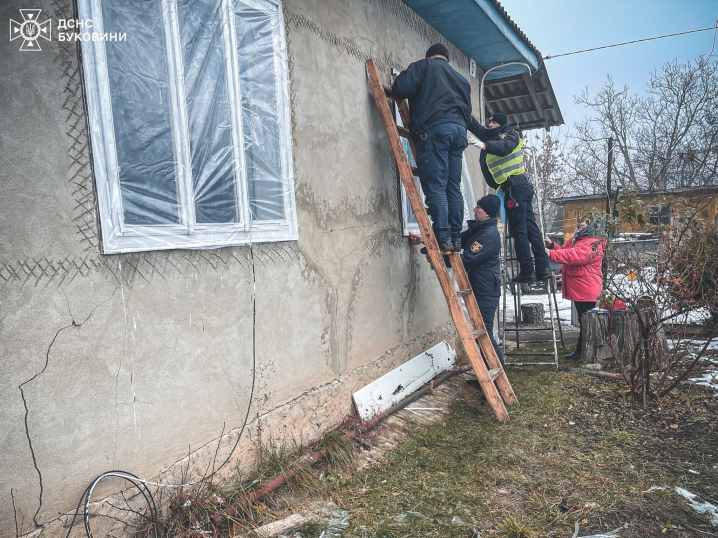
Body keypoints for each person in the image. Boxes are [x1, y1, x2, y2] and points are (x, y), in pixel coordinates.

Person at [392, 43, 473, 253]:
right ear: (447, 59)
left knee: (436, 185)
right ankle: (455, 238)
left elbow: (399, 88)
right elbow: (468, 114)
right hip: (458, 133)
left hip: (435, 131)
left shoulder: (424, 67)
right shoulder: (462, 81)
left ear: (430, 57)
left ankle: (442, 236)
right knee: (452, 187)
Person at [410, 194, 505, 368]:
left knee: (486, 335)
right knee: (481, 334)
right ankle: (487, 376)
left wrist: (438, 258)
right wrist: (426, 241)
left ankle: (500, 381)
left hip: (486, 292)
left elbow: (467, 259)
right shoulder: (478, 229)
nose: (475, 209)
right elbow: (453, 242)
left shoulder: (488, 235)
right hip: (479, 288)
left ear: (488, 214)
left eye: (479, 208)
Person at [468, 113, 552, 283]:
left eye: (494, 122)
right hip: (518, 188)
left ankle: (528, 270)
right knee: (530, 229)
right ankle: (543, 268)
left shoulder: (511, 134)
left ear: (501, 124)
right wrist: (461, 106)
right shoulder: (492, 135)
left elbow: (504, 147)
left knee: (519, 230)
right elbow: (475, 126)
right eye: (489, 122)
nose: (490, 124)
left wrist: (483, 145)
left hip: (515, 188)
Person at [544, 214, 604, 360]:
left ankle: (581, 351)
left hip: (587, 287)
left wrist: (551, 254)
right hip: (581, 286)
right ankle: (583, 349)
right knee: (584, 320)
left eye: (586, 222)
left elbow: (574, 256)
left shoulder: (594, 243)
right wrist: (553, 246)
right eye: (582, 221)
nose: (582, 223)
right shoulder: (578, 239)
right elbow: (565, 250)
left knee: (585, 321)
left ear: (593, 226)